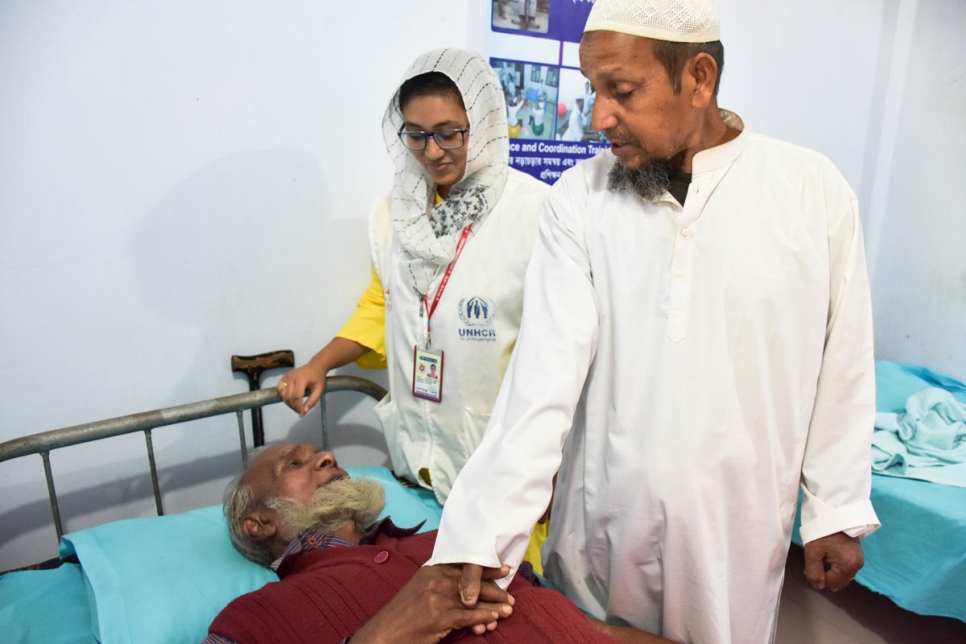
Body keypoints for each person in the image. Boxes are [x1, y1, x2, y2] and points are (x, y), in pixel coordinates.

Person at [427, 1, 881, 642]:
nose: (597, 117)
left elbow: (846, 360)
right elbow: (540, 382)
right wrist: (483, 529)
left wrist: (836, 505)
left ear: (698, 79)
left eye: (622, 91)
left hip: (735, 542)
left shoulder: (812, 192)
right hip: (601, 532)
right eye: (593, 90)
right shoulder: (579, 200)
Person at [276, 49, 549, 506]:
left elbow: (556, 346)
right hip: (417, 456)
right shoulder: (394, 212)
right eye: (417, 135)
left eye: (449, 133)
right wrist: (319, 364)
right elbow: (381, 303)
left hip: (501, 461)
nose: (432, 151)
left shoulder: (533, 211)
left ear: (482, 123)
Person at [204, 443, 677, 643]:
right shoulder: (256, 617)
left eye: (320, 453)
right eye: (294, 464)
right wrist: (381, 637)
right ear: (259, 524)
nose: (326, 455)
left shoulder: (451, 539)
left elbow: (592, 630)